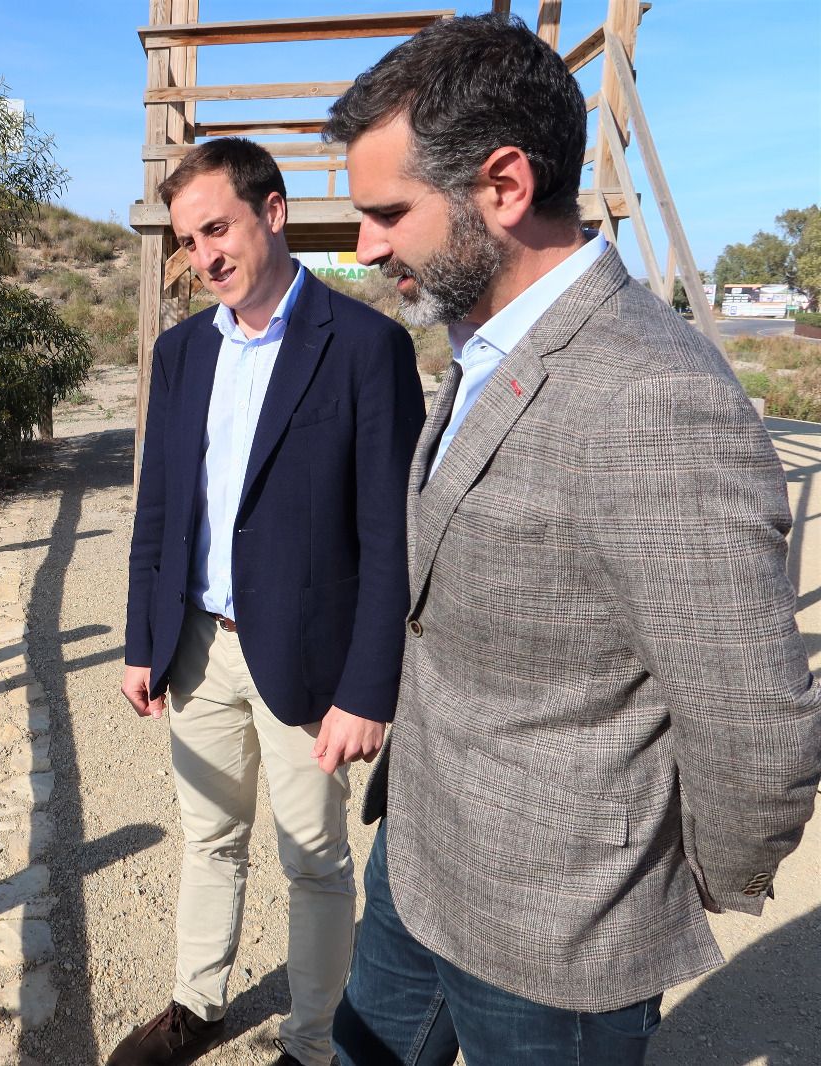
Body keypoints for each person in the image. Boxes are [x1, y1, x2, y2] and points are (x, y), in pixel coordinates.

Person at [324, 15, 821, 1065]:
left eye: (385, 212)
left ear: (503, 186)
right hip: (416, 864)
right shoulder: (483, 337)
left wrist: (651, 889)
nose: (364, 245)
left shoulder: (652, 397)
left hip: (560, 935)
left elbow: (754, 729)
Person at [114, 137, 423, 1066]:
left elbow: (391, 536)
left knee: (315, 862)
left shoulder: (368, 347)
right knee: (208, 836)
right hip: (196, 648)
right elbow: (161, 504)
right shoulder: (179, 354)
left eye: (218, 228)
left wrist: (370, 687)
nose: (205, 255)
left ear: (273, 213)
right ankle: (196, 1006)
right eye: (188, 239)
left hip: (307, 655)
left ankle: (312, 1038)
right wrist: (143, 637)